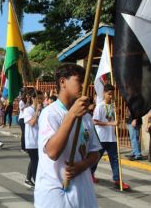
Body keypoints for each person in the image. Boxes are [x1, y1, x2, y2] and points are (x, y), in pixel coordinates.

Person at [34, 64, 101, 208]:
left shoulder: (86, 116)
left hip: (83, 193)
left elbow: (95, 153)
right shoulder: (50, 114)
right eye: (79, 81)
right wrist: (71, 115)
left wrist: (81, 165)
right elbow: (52, 152)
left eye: (85, 81)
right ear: (63, 82)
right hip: (56, 195)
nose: (84, 85)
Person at [91, 84, 130, 190]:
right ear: (104, 94)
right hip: (101, 138)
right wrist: (110, 124)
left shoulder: (113, 106)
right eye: (109, 94)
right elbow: (94, 121)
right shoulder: (100, 106)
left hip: (112, 138)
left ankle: (117, 179)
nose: (111, 96)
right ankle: (90, 174)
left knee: (115, 159)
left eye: (112, 94)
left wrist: (117, 116)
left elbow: (115, 120)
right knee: (96, 158)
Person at [23, 90, 43, 188]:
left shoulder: (43, 110)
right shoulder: (27, 110)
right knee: (36, 161)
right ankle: (36, 182)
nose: (40, 101)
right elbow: (32, 123)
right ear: (33, 98)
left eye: (42, 98)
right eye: (38, 98)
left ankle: (28, 178)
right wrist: (37, 111)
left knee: (35, 160)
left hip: (40, 141)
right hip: (31, 141)